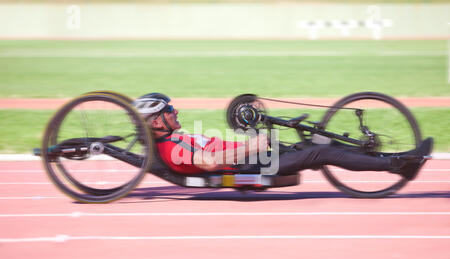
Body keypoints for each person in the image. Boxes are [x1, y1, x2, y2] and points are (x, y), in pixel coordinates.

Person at [133, 92, 433, 180]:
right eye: (169, 110)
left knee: (321, 141)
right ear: (157, 120)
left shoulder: (174, 139)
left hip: (256, 156)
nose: (176, 112)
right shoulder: (173, 150)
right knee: (320, 153)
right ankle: (399, 166)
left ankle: (394, 159)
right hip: (249, 168)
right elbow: (211, 164)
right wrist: (252, 146)